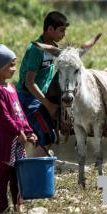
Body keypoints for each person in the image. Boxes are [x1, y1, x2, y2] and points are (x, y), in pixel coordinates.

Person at [0, 44, 37, 214]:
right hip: (7, 140)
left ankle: (18, 206)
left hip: (19, 138)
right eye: (10, 65)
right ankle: (2, 209)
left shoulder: (11, 88)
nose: (14, 69)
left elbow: (19, 113)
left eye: (15, 64)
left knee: (18, 174)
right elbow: (4, 117)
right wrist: (18, 131)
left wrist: (28, 131)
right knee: (3, 176)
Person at [17, 11, 68, 157]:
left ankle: (35, 169)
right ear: (50, 29)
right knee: (47, 136)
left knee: (46, 137)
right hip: (28, 99)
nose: (64, 34)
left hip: (40, 99)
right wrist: (49, 105)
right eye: (61, 30)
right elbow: (29, 83)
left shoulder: (53, 48)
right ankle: (34, 174)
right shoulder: (36, 50)